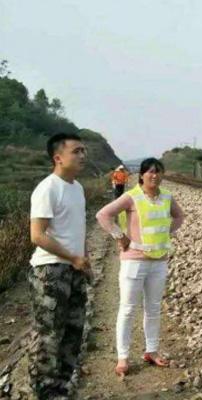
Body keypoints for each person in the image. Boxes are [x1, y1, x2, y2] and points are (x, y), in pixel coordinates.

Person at [96, 158, 184, 377]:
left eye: (158, 171)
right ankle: (123, 357)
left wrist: (167, 231)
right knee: (127, 309)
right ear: (142, 175)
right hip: (134, 261)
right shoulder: (131, 197)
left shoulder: (167, 197)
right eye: (150, 172)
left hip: (159, 261)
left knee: (153, 308)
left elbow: (179, 216)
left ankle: (151, 351)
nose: (155, 175)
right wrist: (119, 236)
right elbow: (103, 215)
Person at [28, 132, 91, 399]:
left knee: (74, 329)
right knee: (49, 333)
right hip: (51, 271)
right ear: (58, 157)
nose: (82, 155)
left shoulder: (77, 188)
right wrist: (72, 257)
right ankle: (44, 389)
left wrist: (84, 259)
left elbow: (78, 229)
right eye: (76, 151)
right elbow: (37, 235)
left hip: (74, 269)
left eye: (83, 151)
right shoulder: (48, 188)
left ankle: (62, 385)